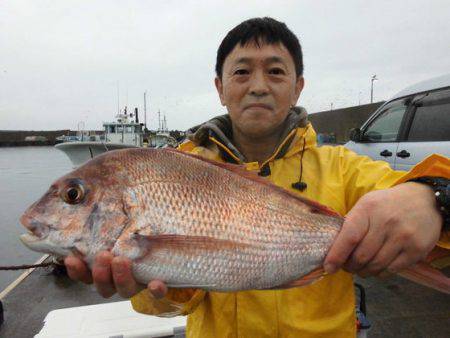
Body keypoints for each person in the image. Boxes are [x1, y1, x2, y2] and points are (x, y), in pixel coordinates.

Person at [65, 17, 450, 337]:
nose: (259, 86)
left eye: (276, 71)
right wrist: (160, 286)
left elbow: (431, 202)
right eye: (242, 71)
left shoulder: (344, 168)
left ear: (298, 87)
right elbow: (160, 305)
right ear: (220, 87)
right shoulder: (179, 167)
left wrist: (432, 198)